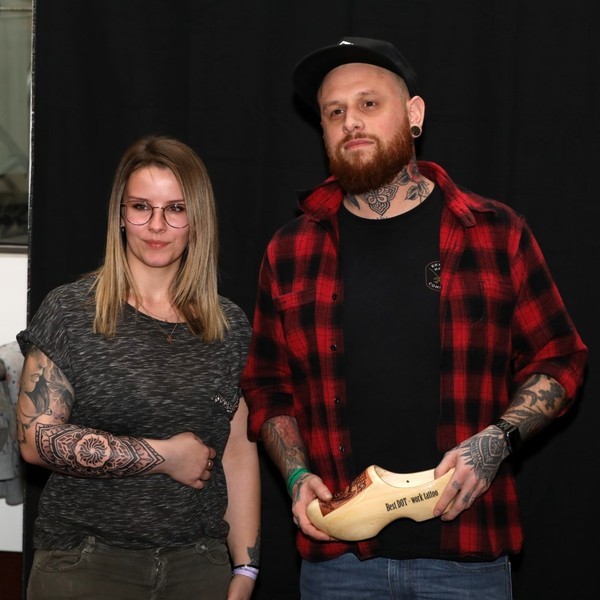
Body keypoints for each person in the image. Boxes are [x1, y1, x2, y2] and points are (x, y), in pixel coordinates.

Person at [240, 37, 588, 599]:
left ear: (414, 114)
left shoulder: (494, 233)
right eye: (334, 112)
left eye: (369, 103)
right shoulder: (290, 250)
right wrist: (298, 476)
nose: (351, 122)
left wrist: (495, 442)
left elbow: (560, 359)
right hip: (339, 563)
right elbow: (266, 386)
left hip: (467, 561)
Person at [16, 135, 260, 600]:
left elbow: (237, 453)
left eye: (176, 208)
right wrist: (166, 456)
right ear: (120, 215)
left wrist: (246, 569)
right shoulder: (70, 311)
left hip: (199, 565)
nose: (157, 225)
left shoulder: (228, 325)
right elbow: (36, 440)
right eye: (141, 207)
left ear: (197, 218)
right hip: (85, 565)